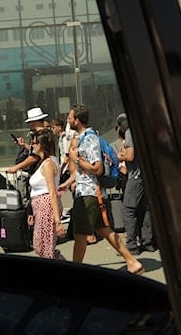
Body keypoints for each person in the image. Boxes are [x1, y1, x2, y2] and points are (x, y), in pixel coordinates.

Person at [60, 105, 143, 274]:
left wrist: (76, 159)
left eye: (70, 118)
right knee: (104, 230)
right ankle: (132, 261)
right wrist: (69, 181)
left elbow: (97, 168)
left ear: (77, 120)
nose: (68, 121)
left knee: (79, 235)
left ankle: (75, 272)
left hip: (89, 194)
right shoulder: (84, 138)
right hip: (91, 192)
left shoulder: (89, 139)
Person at [117, 113, 155, 253]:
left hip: (136, 176)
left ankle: (131, 246)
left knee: (127, 209)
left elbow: (130, 156)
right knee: (145, 209)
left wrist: (119, 156)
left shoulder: (129, 132)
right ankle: (147, 242)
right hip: (146, 175)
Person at [27, 129, 65, 259]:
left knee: (45, 247)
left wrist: (58, 222)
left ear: (42, 145)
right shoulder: (43, 162)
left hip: (46, 207)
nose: (32, 145)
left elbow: (52, 192)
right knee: (40, 246)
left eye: (34, 143)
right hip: (40, 207)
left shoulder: (48, 164)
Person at [8, 107, 51, 177]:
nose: (29, 125)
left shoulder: (41, 136)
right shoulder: (43, 134)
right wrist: (24, 145)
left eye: (30, 122)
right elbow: (35, 150)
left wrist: (16, 167)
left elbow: (35, 156)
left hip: (41, 173)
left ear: (34, 122)